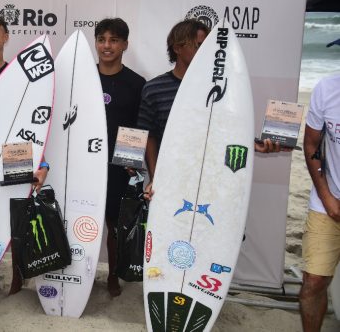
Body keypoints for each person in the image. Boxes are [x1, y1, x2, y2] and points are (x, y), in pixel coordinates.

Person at [138, 19, 283, 201]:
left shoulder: (222, 89)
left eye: (207, 46)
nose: (205, 51)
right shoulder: (154, 89)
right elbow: (149, 137)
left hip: (213, 181)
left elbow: (227, 131)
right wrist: (155, 177)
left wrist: (252, 143)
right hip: (172, 179)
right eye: (198, 46)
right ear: (177, 48)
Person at [0, 13, 49, 294]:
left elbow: (34, 123)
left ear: (6, 36)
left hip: (12, 155)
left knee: (14, 219)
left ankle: (17, 278)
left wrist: (43, 163)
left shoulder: (18, 78)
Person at [95, 18, 146, 296]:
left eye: (114, 40)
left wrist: (132, 160)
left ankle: (113, 275)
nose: (107, 45)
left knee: (114, 226)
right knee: (84, 220)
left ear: (125, 44)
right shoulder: (83, 78)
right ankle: (83, 272)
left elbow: (140, 125)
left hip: (118, 166)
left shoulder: (137, 83)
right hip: (87, 163)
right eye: (102, 39)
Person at [299, 73, 340, 332]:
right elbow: (311, 143)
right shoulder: (327, 88)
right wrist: (327, 198)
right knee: (313, 282)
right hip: (328, 203)